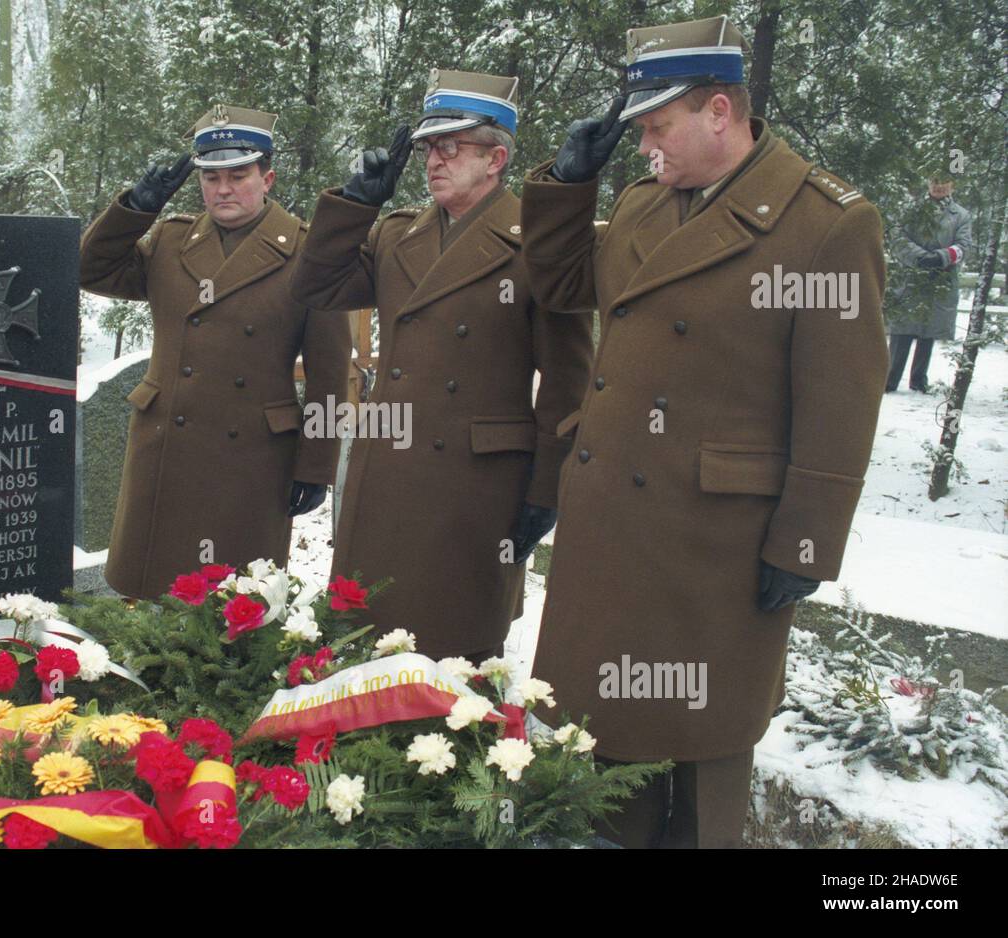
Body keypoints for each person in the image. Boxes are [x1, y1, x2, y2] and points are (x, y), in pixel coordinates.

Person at [521, 15, 888, 847]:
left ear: (720, 111)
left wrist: (804, 543)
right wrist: (566, 189)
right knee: (608, 739)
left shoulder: (824, 222)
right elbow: (562, 285)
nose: (646, 144)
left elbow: (842, 401)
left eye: (658, 125)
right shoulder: (646, 204)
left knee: (701, 751)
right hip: (616, 518)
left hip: (717, 540)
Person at [292, 69, 591, 661]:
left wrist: (547, 487)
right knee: (365, 638)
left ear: (496, 158)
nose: (434, 160)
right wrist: (355, 204)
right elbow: (317, 286)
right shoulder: (397, 234)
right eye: (429, 147)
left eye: (451, 146)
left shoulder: (539, 243)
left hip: (478, 485)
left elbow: (568, 379)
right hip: (386, 471)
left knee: (455, 650)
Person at [79, 104, 352, 600]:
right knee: (149, 596)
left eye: (238, 175)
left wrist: (316, 467)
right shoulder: (170, 239)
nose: (222, 189)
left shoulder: (306, 254)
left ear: (267, 178)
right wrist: (136, 208)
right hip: (165, 450)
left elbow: (329, 375)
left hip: (252, 458)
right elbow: (90, 269)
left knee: (233, 606)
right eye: (211, 177)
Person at [884, 173, 972, 392]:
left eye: (944, 182)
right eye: (935, 181)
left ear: (952, 185)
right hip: (910, 276)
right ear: (928, 183)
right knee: (902, 329)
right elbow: (897, 237)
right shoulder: (910, 210)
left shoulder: (961, 215)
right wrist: (920, 257)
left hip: (941, 278)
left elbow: (964, 245)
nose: (939, 187)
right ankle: (890, 378)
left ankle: (918, 380)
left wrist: (941, 257)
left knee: (929, 330)